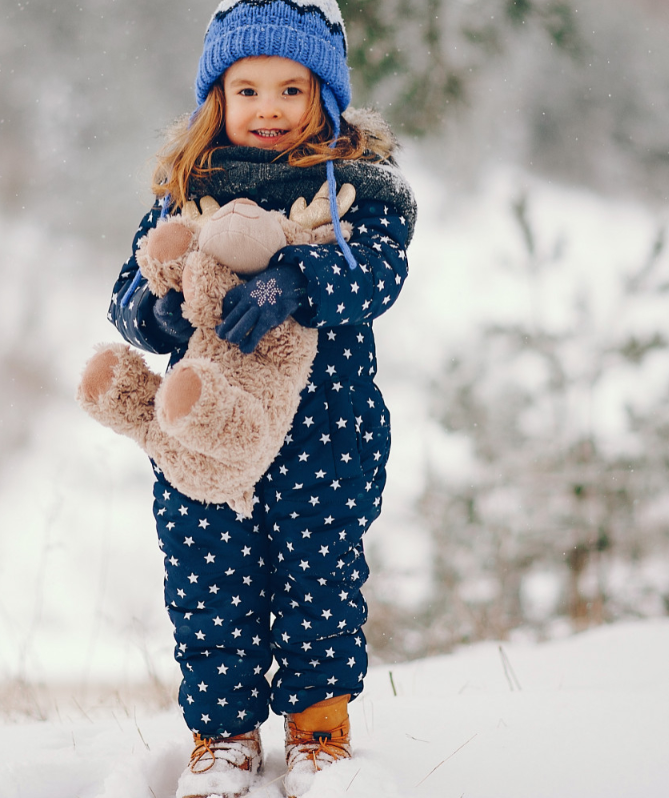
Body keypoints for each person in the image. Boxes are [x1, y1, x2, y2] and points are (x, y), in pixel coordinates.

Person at [105, 2, 415, 796]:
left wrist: (297, 281)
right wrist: (155, 311)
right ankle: (223, 736)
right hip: (205, 441)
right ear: (218, 99)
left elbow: (379, 275)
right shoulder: (188, 192)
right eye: (247, 90)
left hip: (326, 433)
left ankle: (317, 729)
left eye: (290, 90)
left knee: (319, 581)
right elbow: (126, 287)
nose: (268, 109)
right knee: (210, 585)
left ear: (325, 99)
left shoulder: (354, 194)